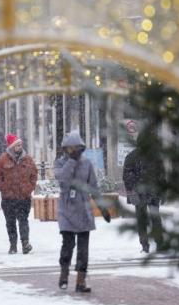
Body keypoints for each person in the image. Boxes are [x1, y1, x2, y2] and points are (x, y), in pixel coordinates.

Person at [54, 131, 111, 293]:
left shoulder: (87, 164)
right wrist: (71, 162)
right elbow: (63, 182)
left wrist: (103, 207)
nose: (74, 151)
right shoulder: (60, 164)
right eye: (70, 149)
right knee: (68, 244)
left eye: (77, 148)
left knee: (83, 249)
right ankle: (64, 274)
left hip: (83, 210)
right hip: (66, 210)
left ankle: (81, 280)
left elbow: (94, 187)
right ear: (65, 149)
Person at [122, 120, 167, 254]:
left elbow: (127, 176)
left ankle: (145, 244)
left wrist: (132, 189)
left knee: (142, 219)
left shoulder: (131, 156)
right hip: (153, 192)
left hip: (140, 193)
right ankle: (159, 243)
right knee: (155, 218)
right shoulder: (156, 156)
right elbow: (162, 176)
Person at [0, 134, 38, 255]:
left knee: (23, 220)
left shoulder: (27, 159)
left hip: (23, 197)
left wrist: (28, 188)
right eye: (17, 145)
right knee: (10, 222)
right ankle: (13, 245)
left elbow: (34, 175)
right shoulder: (2, 160)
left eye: (20, 145)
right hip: (9, 198)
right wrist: (5, 189)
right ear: (12, 146)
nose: (20, 147)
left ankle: (25, 243)